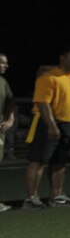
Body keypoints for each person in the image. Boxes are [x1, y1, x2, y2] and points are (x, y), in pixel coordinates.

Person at [22, 47, 70, 208]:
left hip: (69, 123)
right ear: (62, 58)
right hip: (46, 123)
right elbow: (42, 103)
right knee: (38, 160)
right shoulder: (49, 77)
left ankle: (57, 196)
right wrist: (52, 125)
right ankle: (31, 198)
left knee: (61, 161)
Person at [0, 53, 12, 212]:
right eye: (2, 62)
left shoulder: (3, 82)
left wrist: (9, 120)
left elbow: (10, 102)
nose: (6, 65)